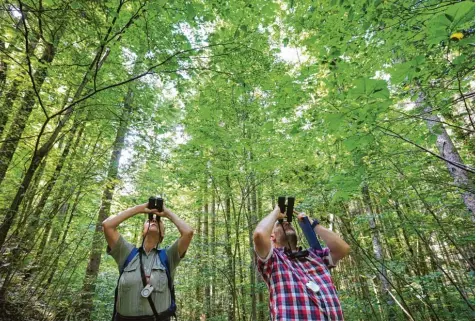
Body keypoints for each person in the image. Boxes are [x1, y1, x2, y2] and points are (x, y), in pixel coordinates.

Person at [253, 206, 350, 320]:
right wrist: (276, 212)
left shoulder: (316, 255)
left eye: (289, 224)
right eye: (280, 224)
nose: (287, 223)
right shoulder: (273, 261)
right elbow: (259, 235)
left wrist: (312, 224)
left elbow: (343, 249)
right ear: (272, 237)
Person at [102, 202, 194, 321]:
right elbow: (107, 225)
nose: (154, 221)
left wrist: (167, 213)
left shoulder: (168, 256)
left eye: (158, 221)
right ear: (142, 231)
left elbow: (188, 232)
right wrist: (140, 209)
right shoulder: (127, 253)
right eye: (149, 220)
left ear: (163, 233)